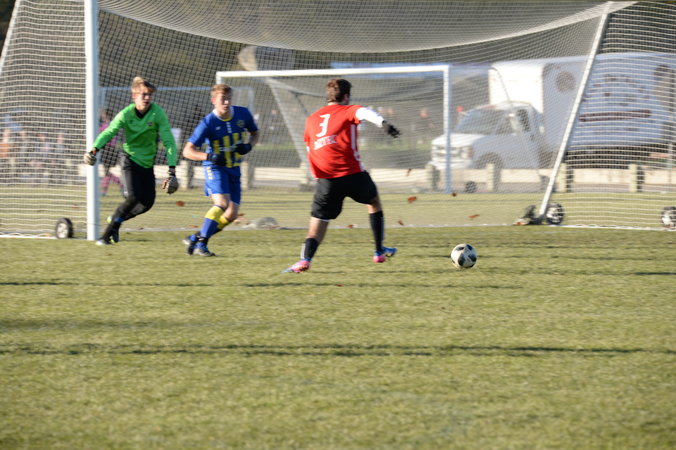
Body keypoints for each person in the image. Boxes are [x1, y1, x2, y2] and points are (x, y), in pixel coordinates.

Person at [283, 78, 400, 273]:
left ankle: (305, 259)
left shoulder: (312, 119)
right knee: (373, 202)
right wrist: (384, 124)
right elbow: (365, 112)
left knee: (317, 224)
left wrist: (317, 175)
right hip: (353, 174)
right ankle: (379, 251)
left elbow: (309, 148)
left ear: (328, 96)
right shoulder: (348, 110)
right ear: (346, 96)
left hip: (326, 179)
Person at [84, 76, 179, 245]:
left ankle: (115, 220)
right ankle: (105, 236)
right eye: (144, 94)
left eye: (149, 95)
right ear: (134, 96)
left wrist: (172, 170)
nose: (147, 98)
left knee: (146, 204)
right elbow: (109, 132)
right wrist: (94, 149)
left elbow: (169, 142)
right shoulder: (126, 113)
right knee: (133, 197)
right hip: (129, 159)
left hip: (148, 164)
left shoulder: (157, 113)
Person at [181, 83, 259, 256]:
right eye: (223, 99)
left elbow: (255, 134)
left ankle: (195, 238)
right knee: (222, 204)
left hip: (234, 168)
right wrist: (209, 156)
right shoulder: (208, 122)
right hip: (215, 167)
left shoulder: (243, 113)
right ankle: (202, 245)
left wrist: (249, 146)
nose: (227, 102)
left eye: (229, 98)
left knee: (231, 215)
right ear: (213, 100)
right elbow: (187, 151)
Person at [97, 108, 122, 196]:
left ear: (106, 115)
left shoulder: (105, 125)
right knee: (106, 172)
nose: (102, 116)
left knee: (107, 172)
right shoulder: (113, 124)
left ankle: (121, 185)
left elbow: (101, 136)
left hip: (107, 149)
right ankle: (105, 191)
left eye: (103, 114)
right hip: (112, 149)